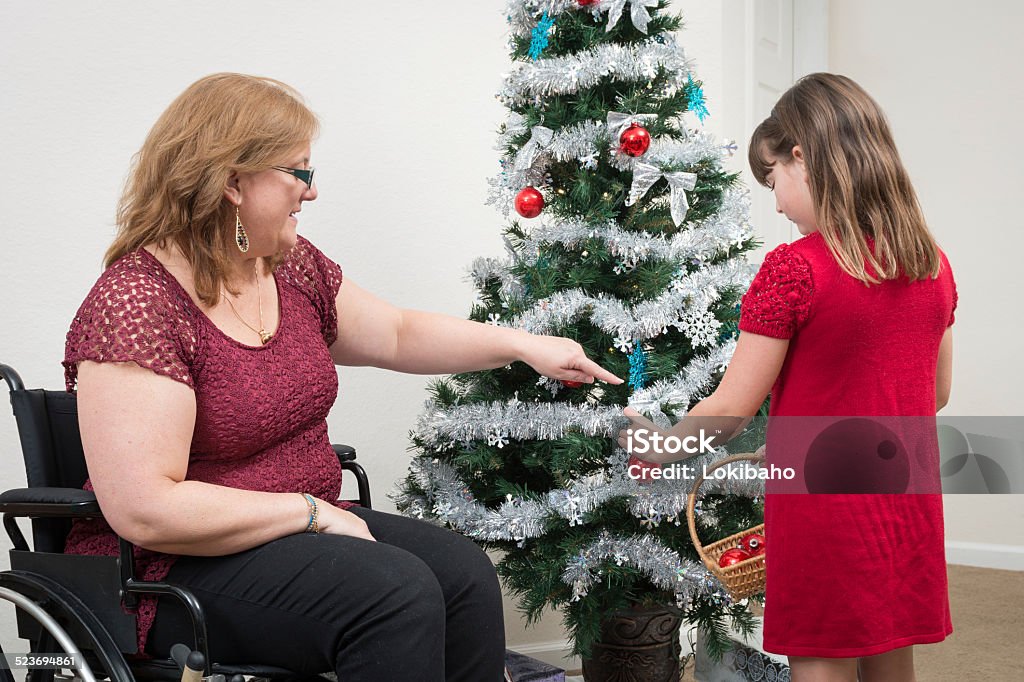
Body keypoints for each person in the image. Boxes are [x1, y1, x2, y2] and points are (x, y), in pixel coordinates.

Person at [63, 73, 622, 682]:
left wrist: (522, 345)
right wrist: (307, 511)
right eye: (298, 173)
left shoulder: (285, 267)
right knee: (395, 594)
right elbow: (147, 510)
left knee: (462, 574)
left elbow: (398, 332)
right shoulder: (138, 303)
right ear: (230, 182)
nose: (312, 191)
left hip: (300, 527)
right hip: (169, 567)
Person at [619, 73, 955, 682]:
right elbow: (935, 394)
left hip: (822, 505)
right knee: (889, 646)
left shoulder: (792, 270)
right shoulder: (930, 261)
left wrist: (662, 447)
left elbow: (734, 405)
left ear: (802, 156)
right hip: (906, 499)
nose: (775, 203)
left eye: (773, 180)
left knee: (819, 651)